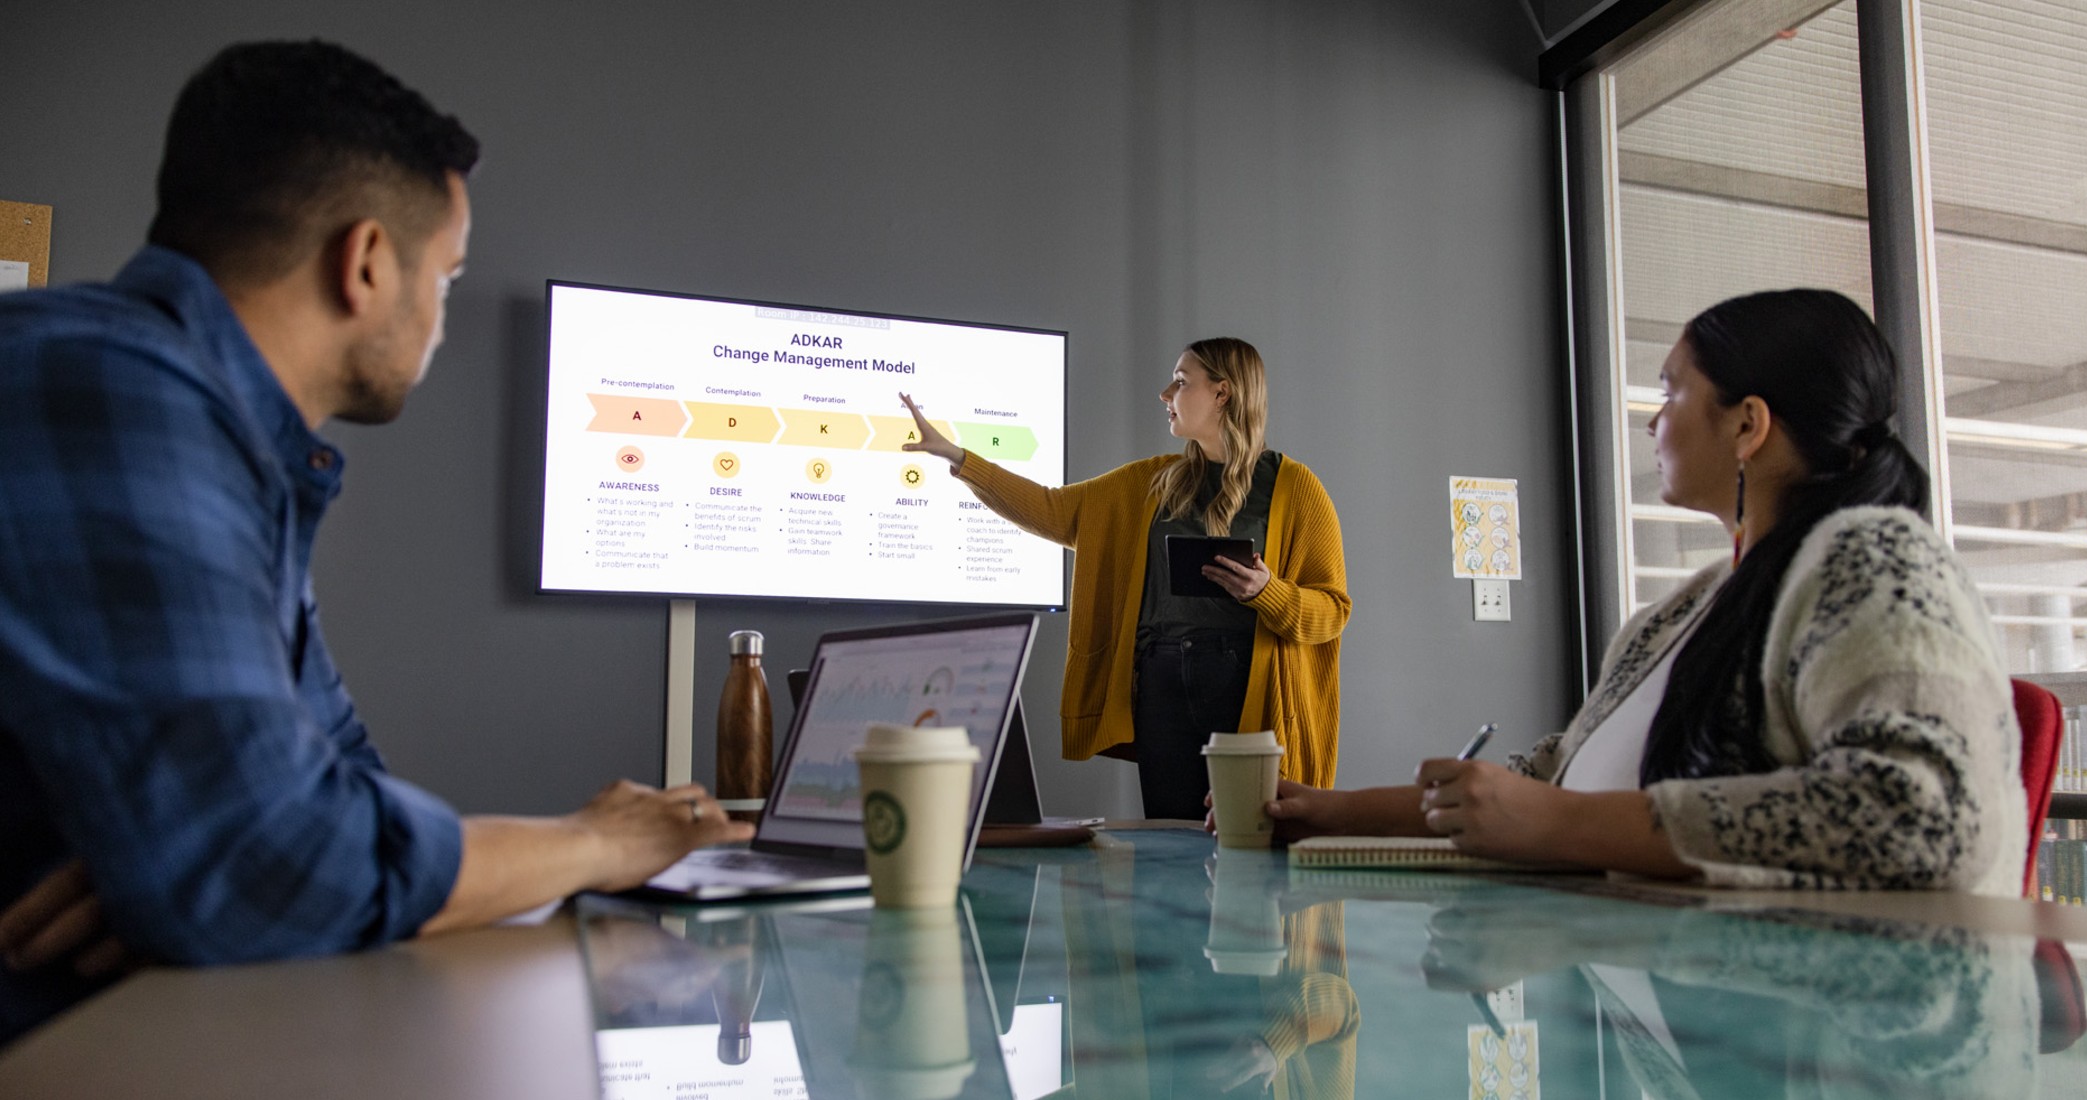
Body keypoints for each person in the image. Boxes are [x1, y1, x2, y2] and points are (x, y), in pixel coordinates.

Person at [0, 40, 747, 1044]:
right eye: (446, 274)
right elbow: (276, 859)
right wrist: (590, 842)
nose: (439, 321)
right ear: (364, 264)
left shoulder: (227, 440)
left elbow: (331, 805)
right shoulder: (116, 394)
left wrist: (202, 870)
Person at [1254, 289, 2025, 893]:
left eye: (1672, 393)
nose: (1653, 421)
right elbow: (1539, 781)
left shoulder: (1873, 558)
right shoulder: (1684, 612)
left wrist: (1563, 827)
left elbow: (1921, 818)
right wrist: (1324, 810)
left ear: (1748, 425)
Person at [899, 337, 1349, 819]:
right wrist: (958, 458)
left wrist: (1268, 593)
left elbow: (1333, 611)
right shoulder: (1152, 481)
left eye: (1180, 382)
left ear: (1223, 394)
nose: (1165, 394)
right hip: (1161, 683)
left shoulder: (1295, 488)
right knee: (1171, 843)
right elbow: (1053, 509)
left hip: (1245, 687)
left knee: (1249, 844)